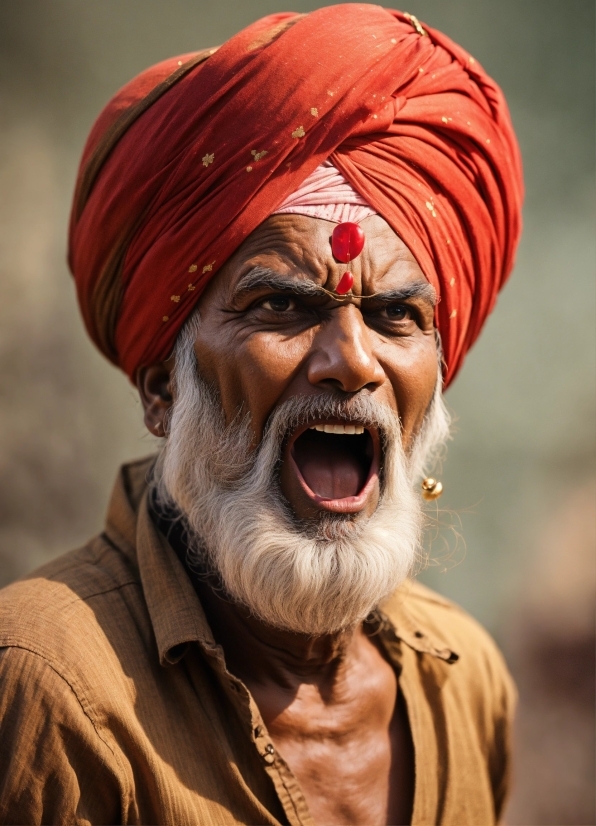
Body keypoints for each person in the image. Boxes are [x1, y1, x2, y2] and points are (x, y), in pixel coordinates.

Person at [0, 6, 523, 825]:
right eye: (280, 305)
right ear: (161, 392)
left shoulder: (466, 678)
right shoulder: (45, 678)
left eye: (395, 316)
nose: (352, 361)